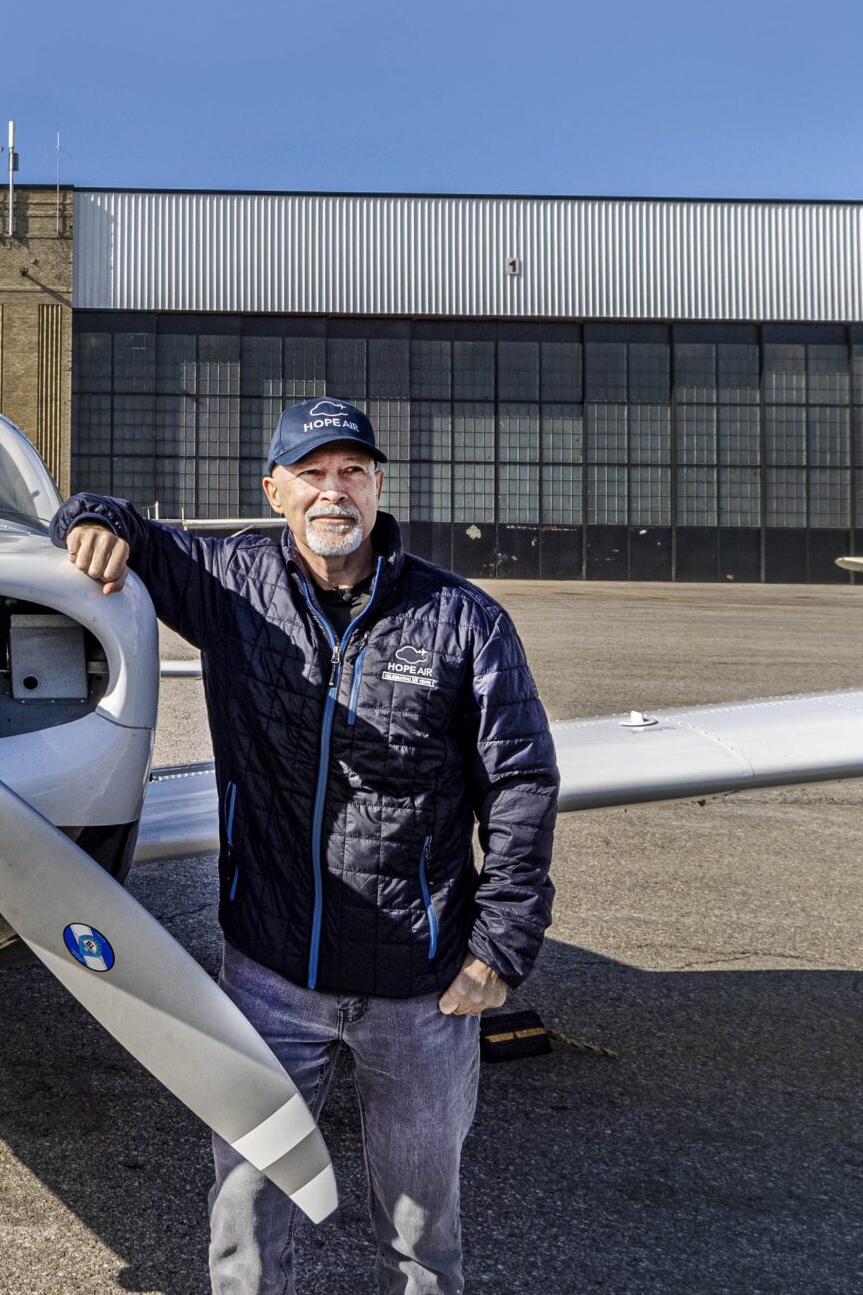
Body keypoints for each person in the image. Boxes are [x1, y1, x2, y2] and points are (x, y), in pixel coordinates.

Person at [50, 397, 559, 1295]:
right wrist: (89, 520)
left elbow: (519, 781)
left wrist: (501, 945)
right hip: (270, 976)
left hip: (421, 992)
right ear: (274, 489)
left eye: (353, 473)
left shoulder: (465, 620)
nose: (335, 493)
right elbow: (119, 521)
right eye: (313, 475)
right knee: (245, 1219)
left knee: (421, 1235)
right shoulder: (230, 582)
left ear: (377, 488)